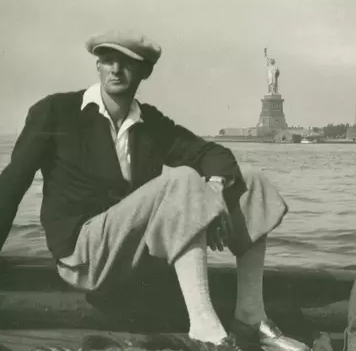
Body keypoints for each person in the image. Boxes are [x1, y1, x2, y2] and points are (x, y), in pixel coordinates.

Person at [0, 30, 309, 351]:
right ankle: (205, 328)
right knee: (183, 181)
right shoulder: (57, 111)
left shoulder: (150, 123)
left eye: (127, 63)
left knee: (249, 180)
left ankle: (250, 316)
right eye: (107, 60)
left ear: (144, 71)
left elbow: (214, 154)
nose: (115, 70)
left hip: (137, 256)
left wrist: (215, 192)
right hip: (84, 255)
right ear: (98, 67)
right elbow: (13, 182)